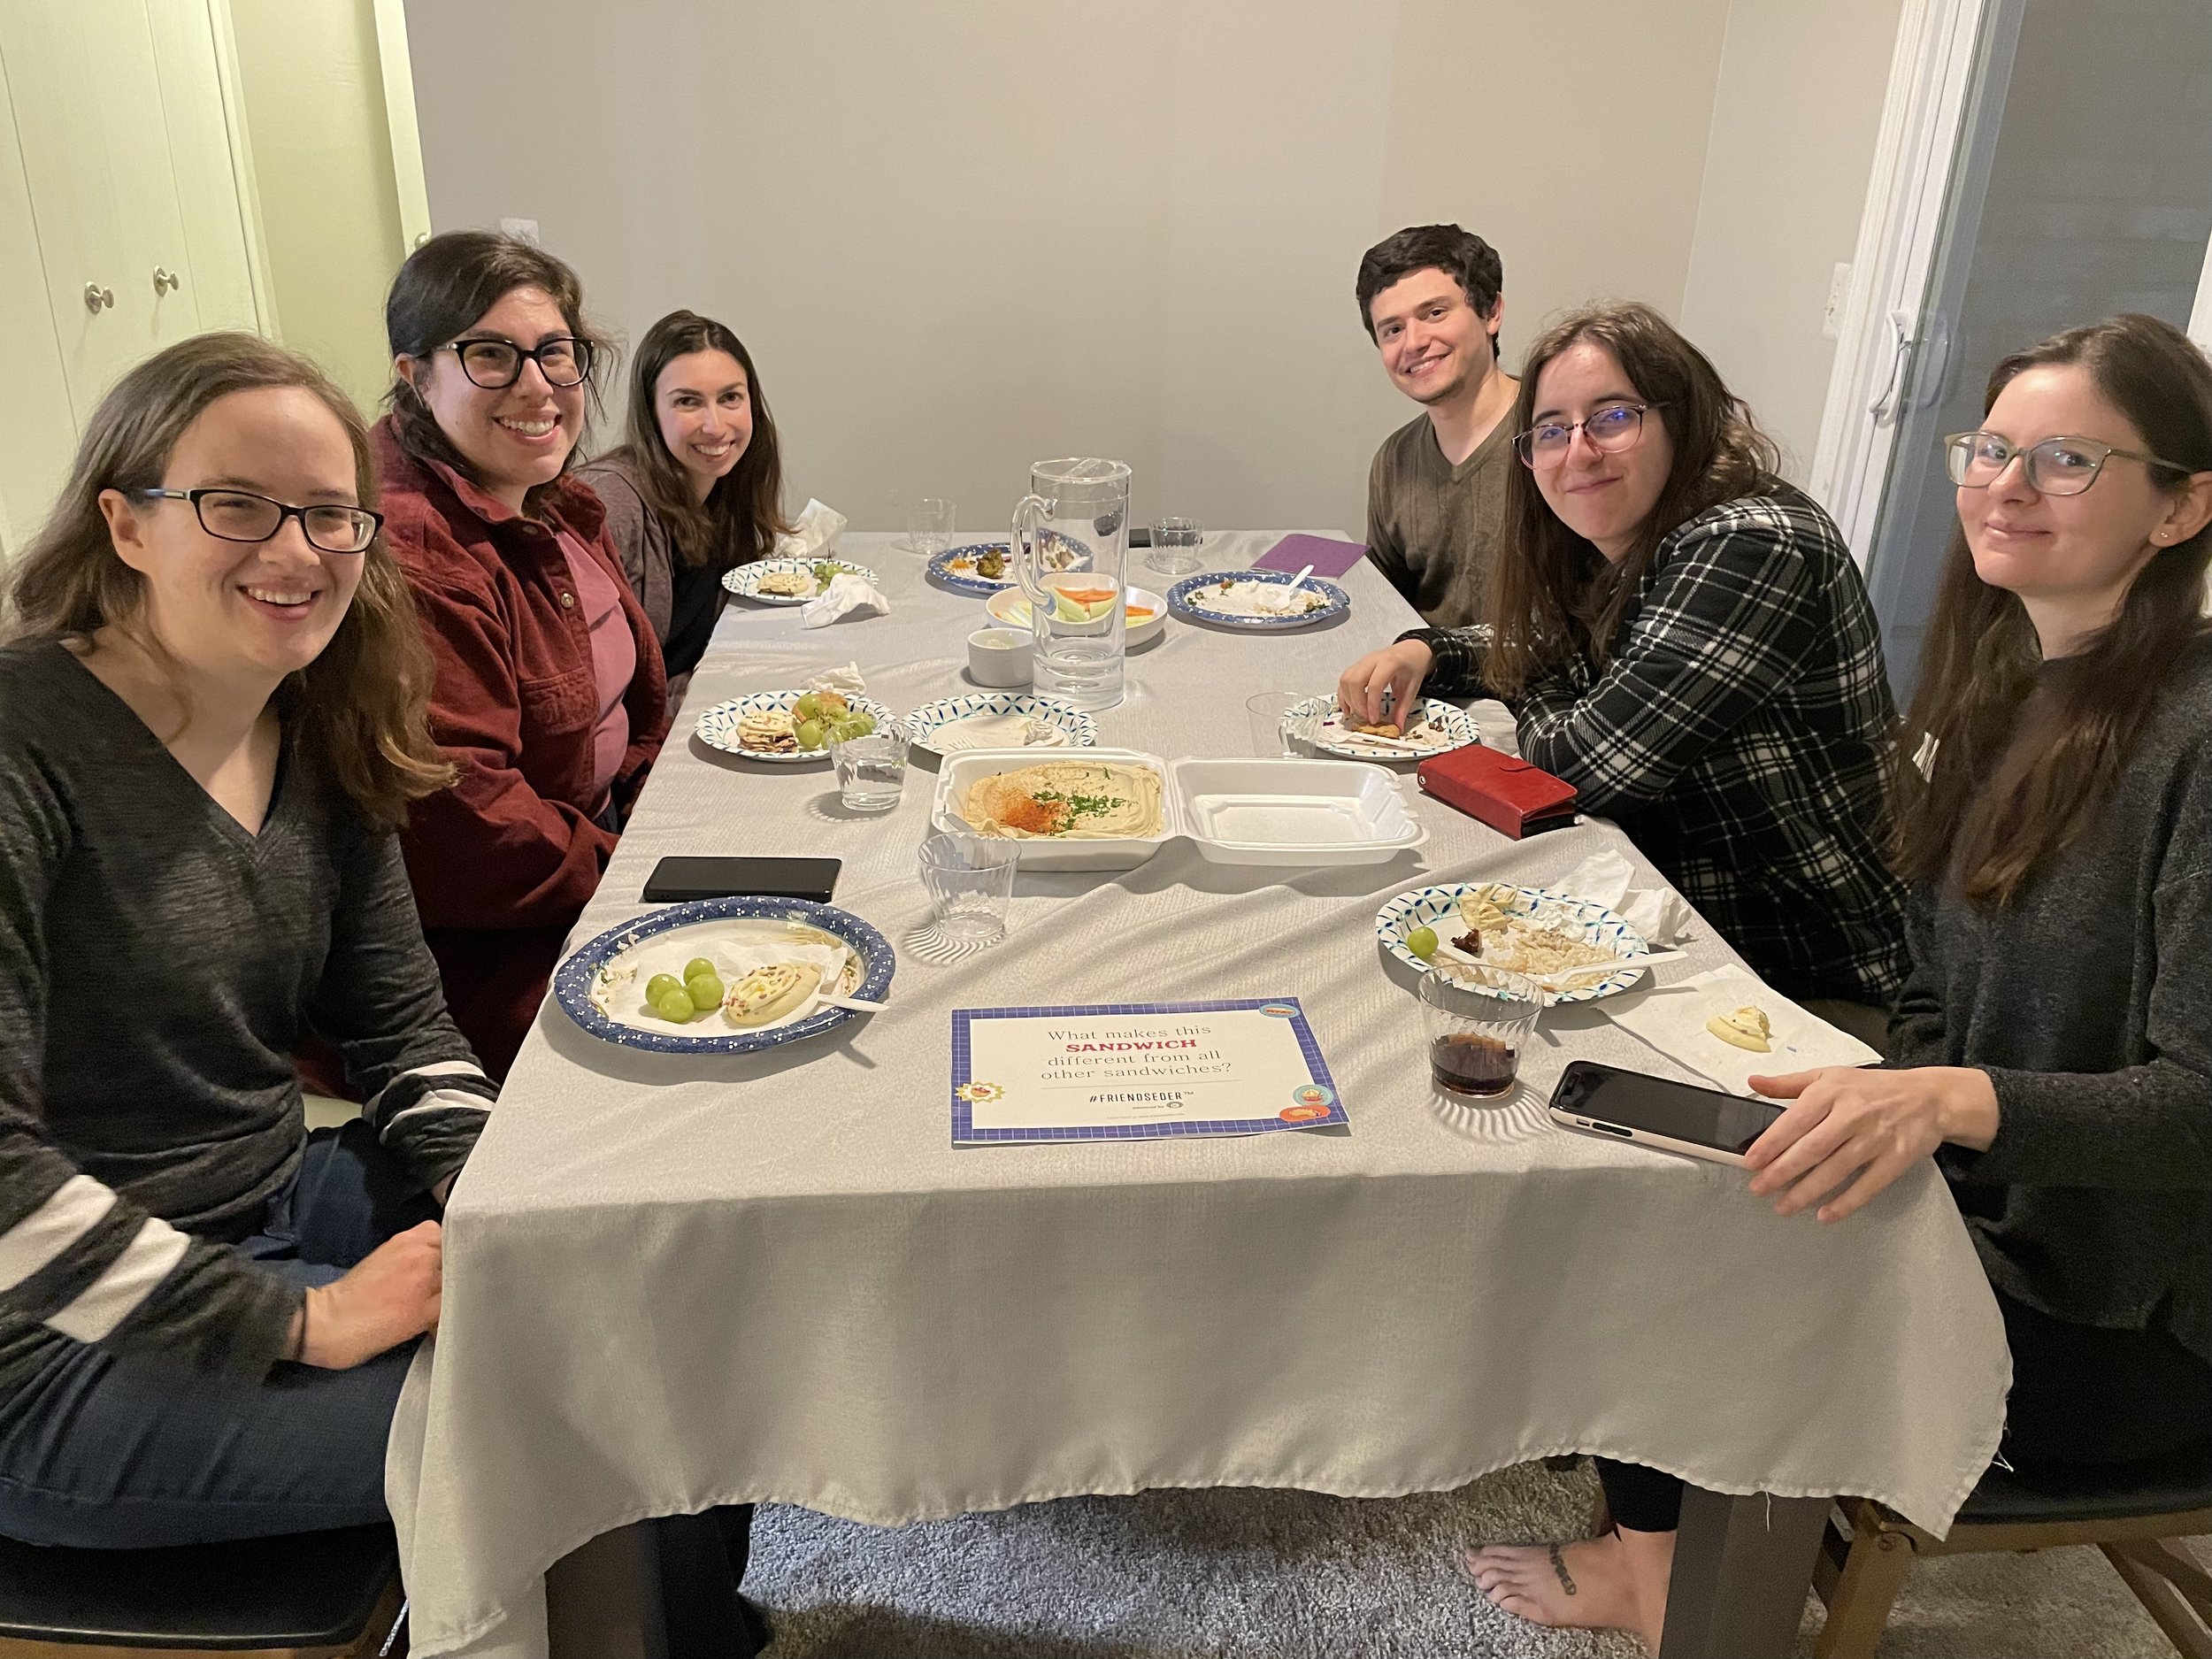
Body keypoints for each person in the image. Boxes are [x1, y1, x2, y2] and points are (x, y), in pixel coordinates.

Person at [1470, 313, 2212, 1654]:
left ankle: (1679, 1597)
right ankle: (1666, 1541)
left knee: (1668, 1253)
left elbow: (2198, 1104)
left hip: (2123, 1320)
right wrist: (1898, 1092)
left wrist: (1943, 1104)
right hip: (1978, 1211)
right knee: (1622, 1140)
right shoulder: (2010, 690)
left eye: (2068, 461)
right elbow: (1923, 977)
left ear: (2182, 505)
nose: (2006, 482)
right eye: (1990, 448)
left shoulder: (2197, 742)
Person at [0, 333, 493, 1548]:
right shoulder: (24, 746)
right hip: (52, 1342)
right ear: (125, 524)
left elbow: (400, 1024)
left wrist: (492, 1198)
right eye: (236, 504)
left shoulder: (318, 721)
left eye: (331, 514)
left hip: (267, 1196)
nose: (294, 551)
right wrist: (303, 1322)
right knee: (565, 1416)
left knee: (610, 1279)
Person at [1339, 302, 1908, 1022]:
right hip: (1681, 911)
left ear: (1683, 418)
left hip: (1802, 971)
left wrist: (1536, 676)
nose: (1578, 451)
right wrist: (1427, 646)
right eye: (1552, 431)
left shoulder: (1752, 543)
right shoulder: (1618, 540)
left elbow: (1582, 768)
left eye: (1613, 417)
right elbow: (1535, 640)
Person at [378, 231, 670, 1081]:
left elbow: (634, 710)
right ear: (416, 376)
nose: (537, 384)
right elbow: (468, 827)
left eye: (555, 353)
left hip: (598, 851)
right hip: (502, 945)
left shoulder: (554, 500)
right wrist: (639, 874)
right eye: (491, 356)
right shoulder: (417, 551)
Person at [578, 311, 790, 703]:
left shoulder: (728, 490)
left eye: (730, 398)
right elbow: (585, 680)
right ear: (651, 413)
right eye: (688, 402)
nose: (715, 426)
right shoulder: (609, 504)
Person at [1356, 223, 1520, 629]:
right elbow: (1386, 605)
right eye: (1392, 330)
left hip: (1546, 686)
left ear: (1491, 312)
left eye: (1434, 313)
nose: (1413, 343)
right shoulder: (1394, 460)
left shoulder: (1562, 437)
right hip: (1428, 683)